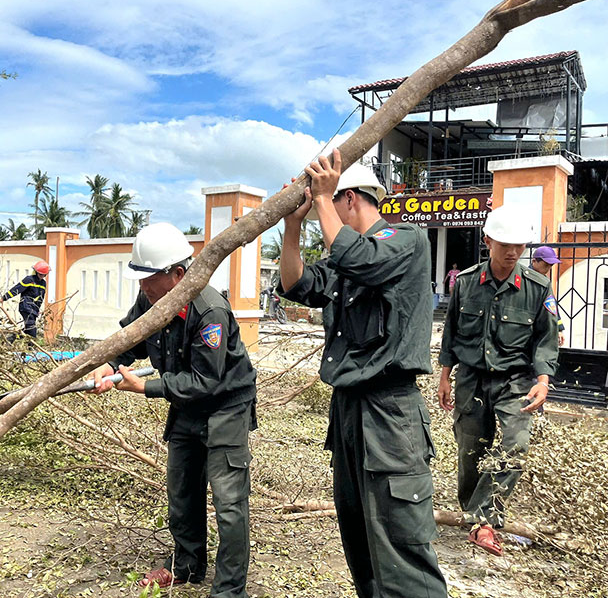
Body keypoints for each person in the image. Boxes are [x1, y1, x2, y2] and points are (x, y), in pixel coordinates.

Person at [278, 149, 447, 598]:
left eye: (327, 205)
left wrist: (321, 197)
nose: (321, 215)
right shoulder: (343, 260)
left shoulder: (404, 240)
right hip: (349, 411)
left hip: (390, 413)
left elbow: (364, 261)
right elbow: (296, 284)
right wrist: (293, 227)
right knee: (360, 541)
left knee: (401, 547)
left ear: (349, 198)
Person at [90, 222, 257, 598]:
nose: (142, 286)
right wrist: (110, 363)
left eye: (148, 277)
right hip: (186, 405)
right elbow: (129, 336)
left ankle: (230, 590)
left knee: (229, 503)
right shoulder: (151, 300)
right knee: (182, 491)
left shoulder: (209, 310)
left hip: (224, 407)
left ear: (178, 275)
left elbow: (206, 381)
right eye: (140, 277)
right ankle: (186, 566)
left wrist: (145, 386)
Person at [437, 206, 559, 556]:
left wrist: (544, 380)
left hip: (516, 382)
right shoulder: (465, 283)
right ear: (487, 240)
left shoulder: (537, 287)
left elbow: (545, 339)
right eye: (505, 244)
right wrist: (445, 375)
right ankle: (477, 519)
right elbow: (452, 333)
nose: (513, 252)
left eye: (520, 246)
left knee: (516, 445)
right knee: (470, 451)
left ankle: (483, 519)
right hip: (472, 380)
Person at [0, 260, 49, 340]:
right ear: (36, 272)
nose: (42, 276)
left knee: (28, 330)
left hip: (33, 309)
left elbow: (40, 298)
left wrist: (37, 310)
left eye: (44, 275)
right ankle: (31, 348)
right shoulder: (29, 280)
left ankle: (11, 339)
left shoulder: (43, 283)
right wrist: (4, 297)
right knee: (32, 329)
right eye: (40, 274)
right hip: (25, 307)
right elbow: (17, 289)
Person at [531, 246, 566, 346]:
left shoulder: (545, 282)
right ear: (534, 261)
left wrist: (559, 329)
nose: (548, 268)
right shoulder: (522, 279)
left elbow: (551, 306)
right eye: (546, 264)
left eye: (551, 265)